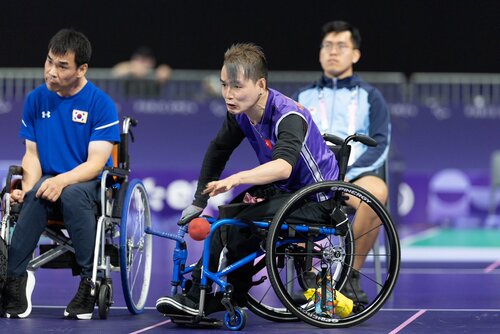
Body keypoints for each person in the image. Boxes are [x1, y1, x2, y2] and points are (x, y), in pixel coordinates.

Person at [156, 43, 339, 317]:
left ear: (261, 85)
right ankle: (227, 295)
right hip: (286, 193)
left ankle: (198, 299)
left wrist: (239, 178)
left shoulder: (288, 115)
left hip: (316, 197)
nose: (228, 95)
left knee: (237, 223)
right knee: (226, 215)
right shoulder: (240, 114)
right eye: (224, 85)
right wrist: (198, 201)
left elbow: (283, 167)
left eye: (237, 86)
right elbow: (218, 150)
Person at [2, 28, 120, 319]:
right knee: (34, 195)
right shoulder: (36, 99)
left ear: (82, 69)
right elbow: (32, 155)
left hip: (87, 183)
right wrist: (27, 187)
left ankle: (89, 282)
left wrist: (61, 180)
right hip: (49, 179)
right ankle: (15, 280)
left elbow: (95, 164)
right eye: (49, 61)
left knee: (72, 194)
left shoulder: (101, 104)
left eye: (62, 66)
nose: (51, 71)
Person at [293, 20, 391, 305]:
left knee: (377, 193)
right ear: (320, 52)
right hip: (311, 180)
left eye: (341, 46)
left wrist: (346, 177)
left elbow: (381, 144)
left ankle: (349, 277)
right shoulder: (302, 97)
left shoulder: (371, 97)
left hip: (353, 180)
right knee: (289, 196)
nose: (332, 52)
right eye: (327, 46)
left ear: (355, 54)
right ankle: (309, 278)